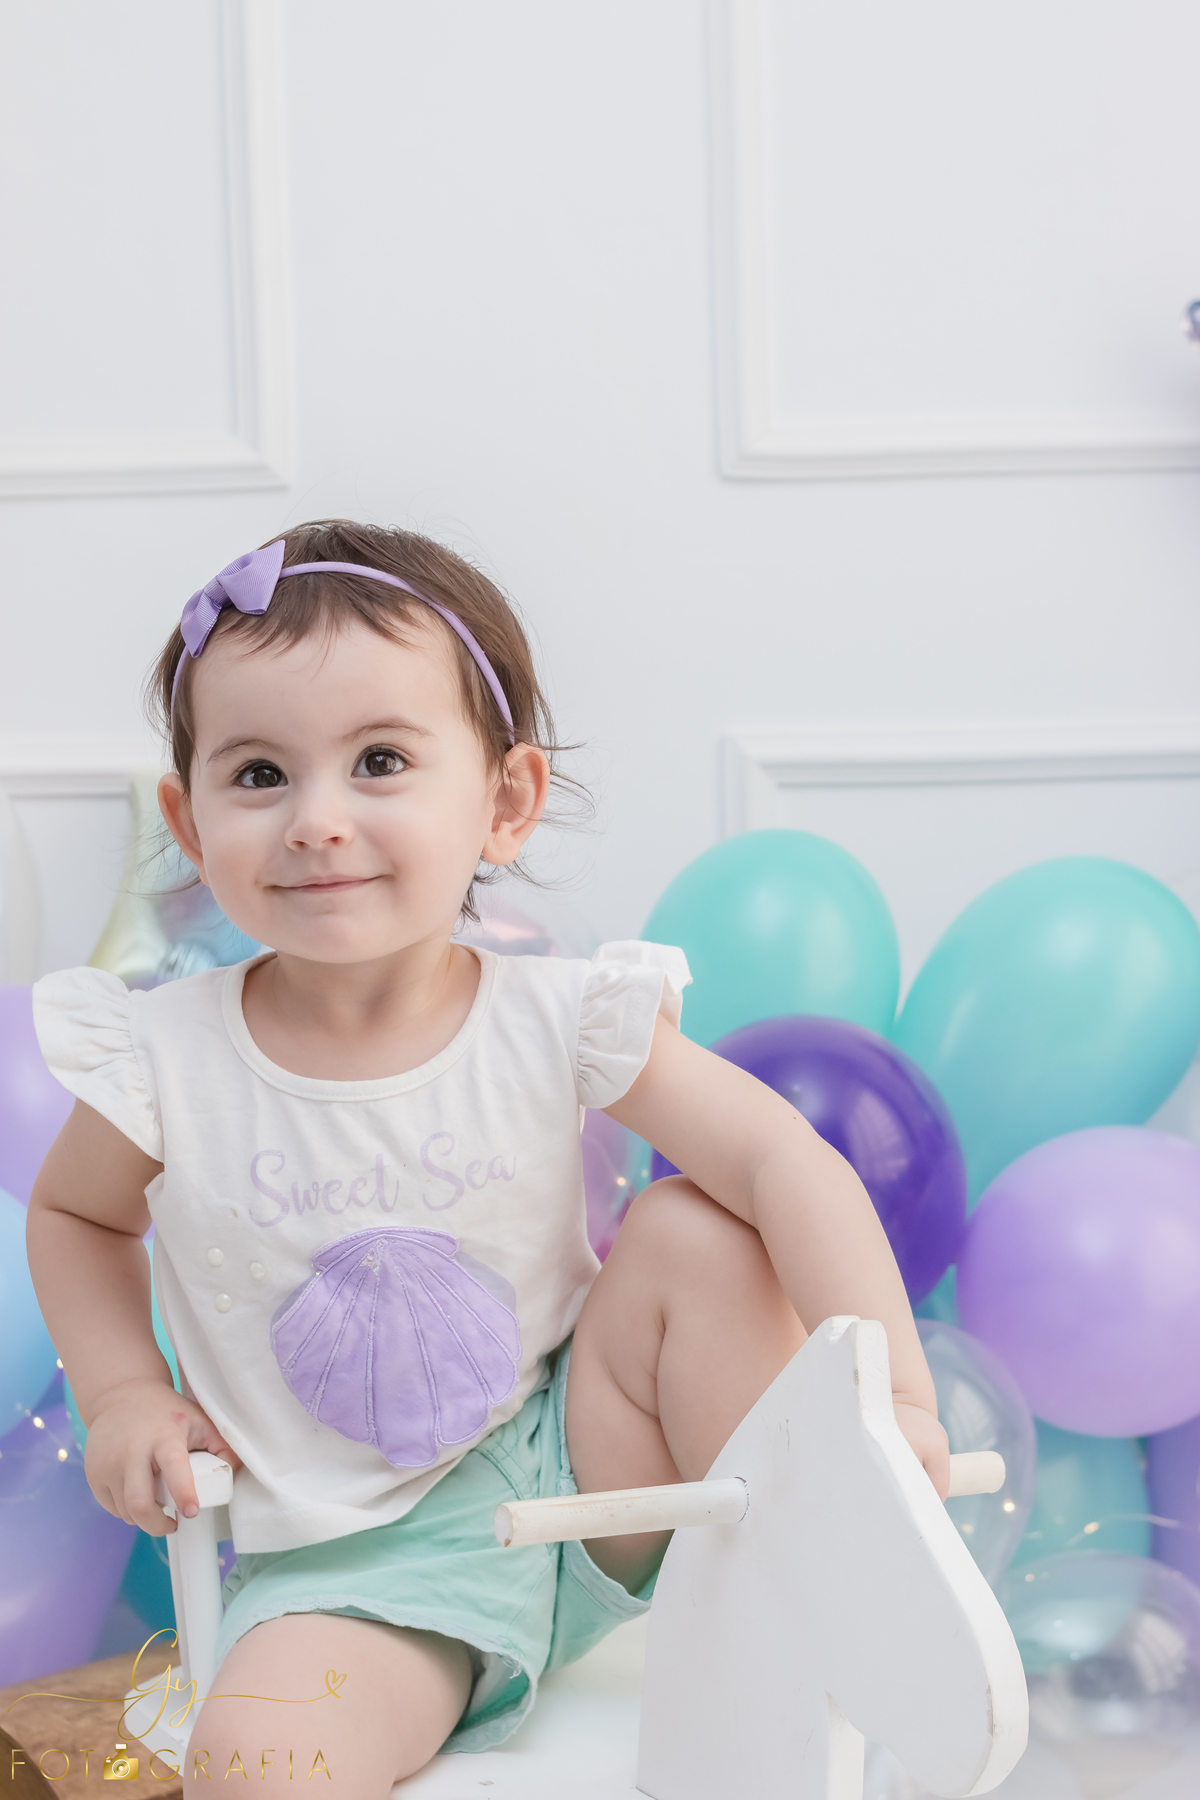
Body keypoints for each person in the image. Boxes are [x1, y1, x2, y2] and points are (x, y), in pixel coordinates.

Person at [26, 519, 949, 1795]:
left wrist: (892, 1400)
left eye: (381, 760)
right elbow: (77, 1218)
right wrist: (124, 1393)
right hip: (361, 1568)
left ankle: (813, 1559)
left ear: (503, 803)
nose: (317, 820)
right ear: (188, 823)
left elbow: (787, 1161)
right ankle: (429, 1673)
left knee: (695, 1227)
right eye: (258, 776)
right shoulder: (165, 1059)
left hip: (590, 1461)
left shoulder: (558, 1015)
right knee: (259, 1762)